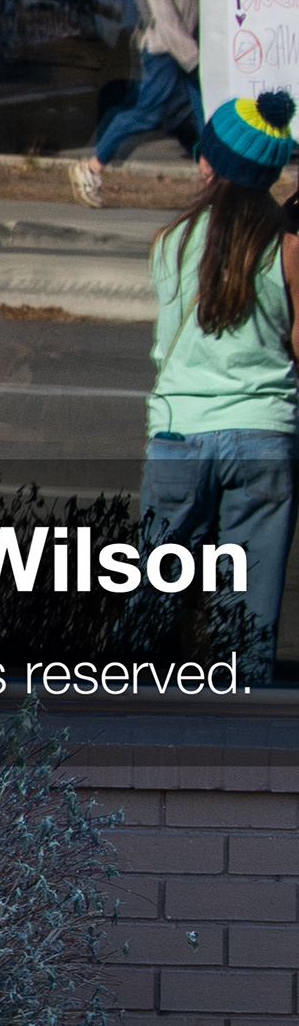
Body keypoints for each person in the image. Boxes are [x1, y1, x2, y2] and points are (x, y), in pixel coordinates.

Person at [141, 89, 299, 684]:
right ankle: (239, 740)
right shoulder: (287, 249)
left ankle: (131, 727)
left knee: (155, 598)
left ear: (208, 164)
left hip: (180, 436)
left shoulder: (169, 243)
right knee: (246, 618)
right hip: (263, 437)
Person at [77, 0, 204, 208]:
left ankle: (215, 185)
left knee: (206, 119)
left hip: (187, 51)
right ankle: (93, 166)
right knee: (147, 112)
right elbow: (159, 0)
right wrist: (189, 51)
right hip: (166, 50)